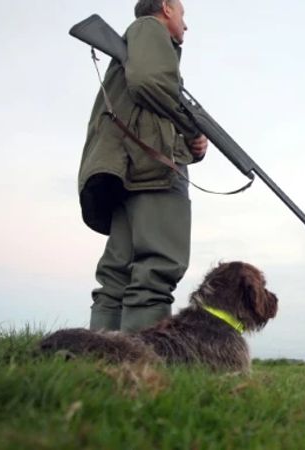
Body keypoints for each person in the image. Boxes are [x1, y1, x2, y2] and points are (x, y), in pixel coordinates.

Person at [77, 0, 209, 333]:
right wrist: (193, 128)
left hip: (131, 171)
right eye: (183, 13)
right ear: (166, 7)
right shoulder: (149, 29)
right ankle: (143, 367)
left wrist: (193, 145)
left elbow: (148, 108)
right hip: (153, 173)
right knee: (156, 267)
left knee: (117, 273)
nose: (186, 24)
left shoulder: (138, 43)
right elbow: (149, 82)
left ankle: (102, 360)